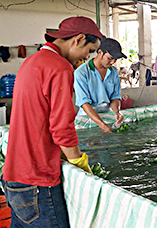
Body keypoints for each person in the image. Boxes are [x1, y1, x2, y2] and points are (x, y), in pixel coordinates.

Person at [1, 16, 103, 227]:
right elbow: (61, 128)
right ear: (78, 39)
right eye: (90, 50)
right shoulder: (59, 67)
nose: (86, 57)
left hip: (13, 175)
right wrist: (79, 163)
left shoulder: (33, 61)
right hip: (37, 178)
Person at [74, 38, 126, 133]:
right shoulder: (81, 73)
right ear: (100, 52)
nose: (112, 62)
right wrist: (102, 125)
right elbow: (84, 103)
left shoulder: (113, 72)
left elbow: (115, 97)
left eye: (115, 60)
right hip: (87, 118)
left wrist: (116, 112)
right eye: (110, 58)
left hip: (107, 114)